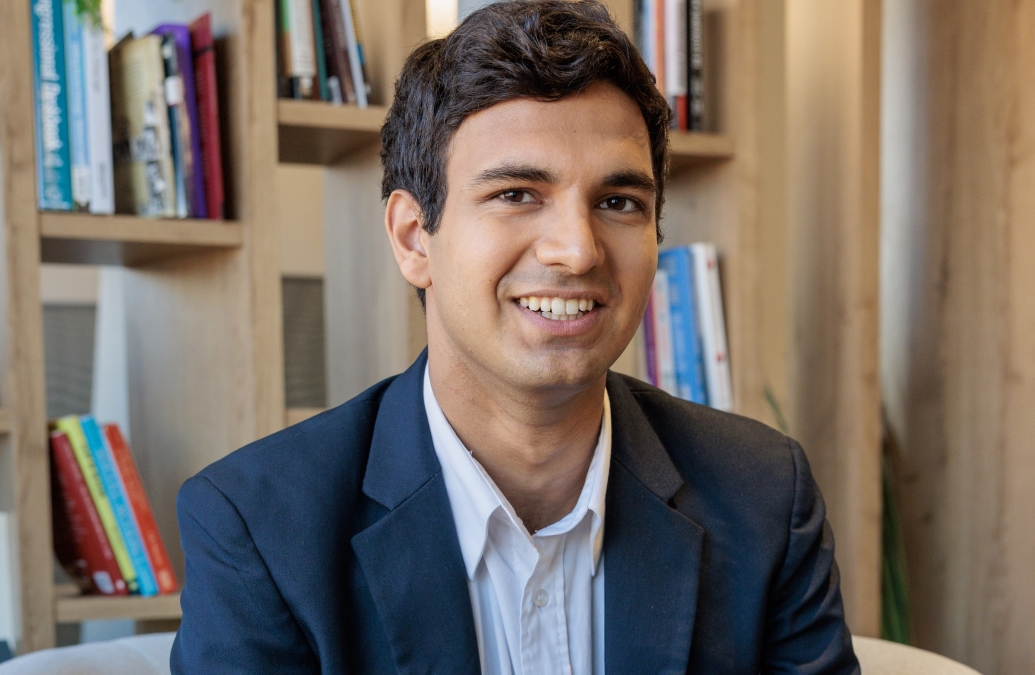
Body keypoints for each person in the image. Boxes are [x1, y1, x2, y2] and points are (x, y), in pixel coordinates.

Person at [171, 1, 860, 672]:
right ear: (414, 238)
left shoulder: (763, 496)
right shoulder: (258, 528)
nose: (576, 250)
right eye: (516, 194)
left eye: (618, 202)